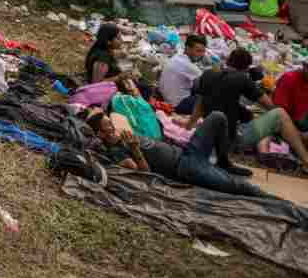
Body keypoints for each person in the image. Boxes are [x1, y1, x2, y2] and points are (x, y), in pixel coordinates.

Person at [87, 110, 265, 197]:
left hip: (188, 151)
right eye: (107, 127)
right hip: (186, 168)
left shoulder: (122, 135)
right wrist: (135, 149)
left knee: (217, 117)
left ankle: (224, 161)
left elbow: (118, 115)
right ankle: (279, 202)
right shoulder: (117, 152)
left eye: (110, 123)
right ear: (100, 134)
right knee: (239, 186)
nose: (112, 127)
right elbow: (144, 174)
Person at [187, 48, 308, 172]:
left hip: (209, 135)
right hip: (230, 141)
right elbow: (272, 107)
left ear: (228, 60)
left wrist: (189, 125)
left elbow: (200, 104)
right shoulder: (243, 79)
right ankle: (306, 160)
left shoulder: (208, 73)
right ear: (246, 67)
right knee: (280, 115)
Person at [159, 34, 207, 114]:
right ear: (188, 48)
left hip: (167, 99)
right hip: (178, 104)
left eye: (203, 51)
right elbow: (206, 81)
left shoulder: (177, 57)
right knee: (211, 98)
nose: (201, 55)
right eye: (198, 51)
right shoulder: (187, 64)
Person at [273, 62, 308, 130]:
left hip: (297, 123)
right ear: (304, 66)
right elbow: (278, 109)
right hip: (281, 121)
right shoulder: (289, 78)